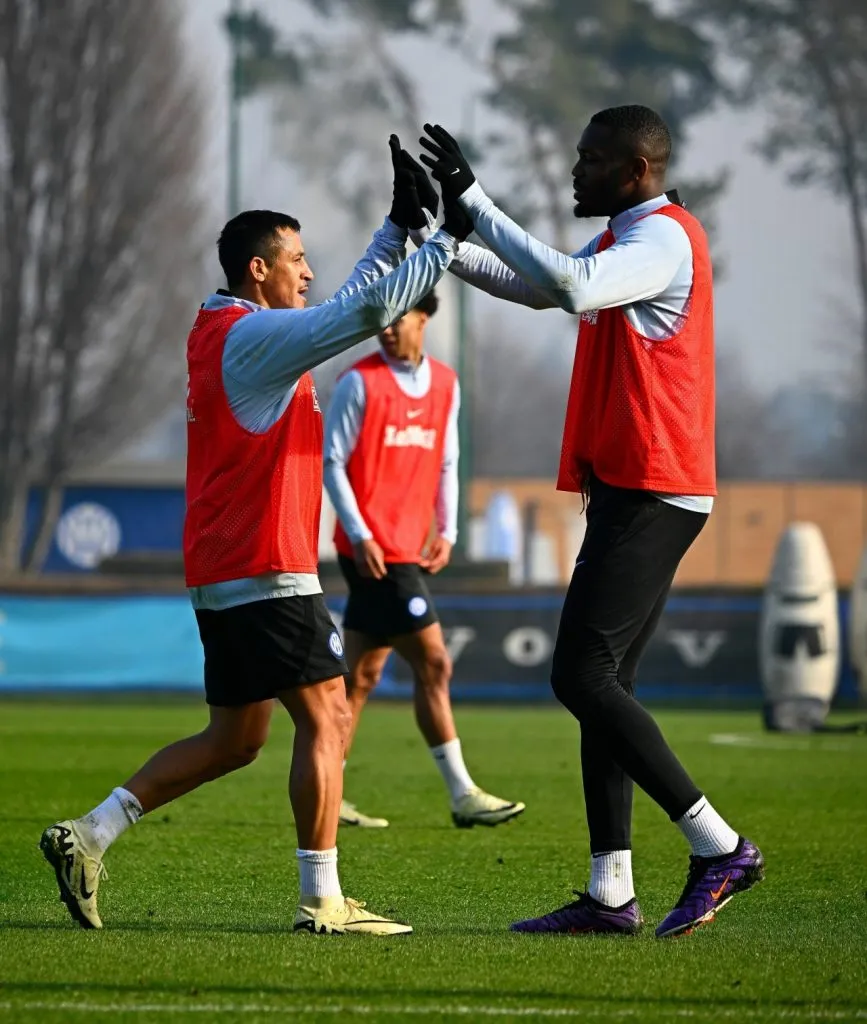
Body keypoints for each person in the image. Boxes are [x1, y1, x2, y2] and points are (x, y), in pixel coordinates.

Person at [39, 137, 472, 937]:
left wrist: (395, 228)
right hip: (268, 566)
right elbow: (362, 313)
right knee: (328, 718)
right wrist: (452, 233)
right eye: (296, 259)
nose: (307, 272)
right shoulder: (254, 338)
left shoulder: (230, 328)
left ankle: (89, 835)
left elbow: (339, 304)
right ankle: (323, 901)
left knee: (236, 739)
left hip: (223, 566)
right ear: (257, 271)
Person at [416, 106, 764, 938]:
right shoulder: (625, 241)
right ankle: (610, 893)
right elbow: (540, 288)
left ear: (636, 170)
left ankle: (718, 847)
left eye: (590, 159)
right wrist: (441, 236)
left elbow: (567, 289)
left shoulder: (664, 239)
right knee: (604, 687)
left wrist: (477, 197)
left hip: (655, 485)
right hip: (635, 486)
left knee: (580, 677)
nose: (575, 171)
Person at [323, 289, 525, 830]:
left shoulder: (446, 383)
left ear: (423, 318)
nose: (387, 328)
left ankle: (327, 790)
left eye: (399, 317)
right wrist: (361, 533)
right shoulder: (357, 383)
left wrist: (450, 528)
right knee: (434, 663)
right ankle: (462, 793)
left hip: (409, 546)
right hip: (374, 553)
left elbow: (447, 461)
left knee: (361, 677)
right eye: (380, 320)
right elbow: (333, 463)